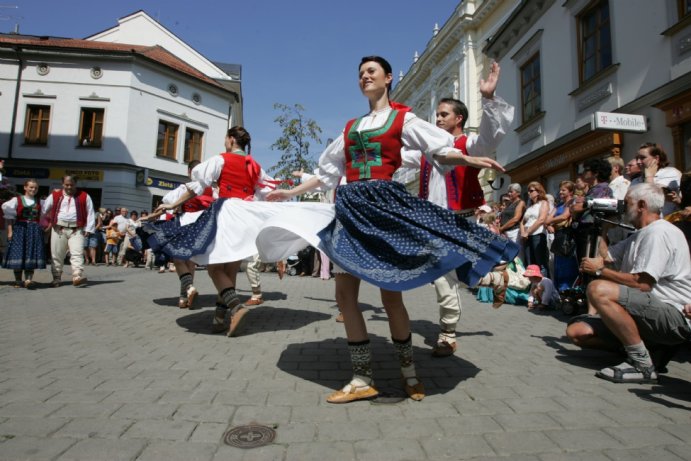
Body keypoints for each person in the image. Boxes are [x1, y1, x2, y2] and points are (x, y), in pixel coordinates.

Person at [264, 56, 517, 403]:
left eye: (371, 71)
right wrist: (290, 193)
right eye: (360, 73)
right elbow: (326, 174)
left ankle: (409, 373)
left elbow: (441, 150)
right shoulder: (350, 128)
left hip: (383, 209)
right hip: (350, 210)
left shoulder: (403, 119)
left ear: (388, 78)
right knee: (344, 296)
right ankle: (361, 377)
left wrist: (470, 159)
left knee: (390, 295)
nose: (365, 76)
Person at [407, 82, 513, 357]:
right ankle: (496, 281)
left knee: (444, 277)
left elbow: (490, 139)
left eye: (444, 114)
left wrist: (489, 99)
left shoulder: (469, 144)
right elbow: (395, 156)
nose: (438, 119)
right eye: (437, 115)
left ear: (459, 119)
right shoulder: (428, 151)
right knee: (453, 275)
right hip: (433, 221)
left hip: (460, 220)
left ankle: (447, 334)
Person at [149, 126, 285, 336]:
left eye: (225, 138)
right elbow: (266, 191)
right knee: (229, 271)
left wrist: (171, 204)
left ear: (231, 140)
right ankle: (220, 319)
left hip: (226, 213)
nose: (224, 141)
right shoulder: (254, 165)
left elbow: (195, 187)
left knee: (214, 269)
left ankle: (237, 308)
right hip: (244, 216)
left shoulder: (221, 160)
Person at [566, 183, 691, 383]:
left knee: (598, 289)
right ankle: (651, 350)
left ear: (642, 205)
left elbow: (642, 284)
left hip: (672, 314)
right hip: (646, 311)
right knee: (578, 332)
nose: (624, 208)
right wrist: (603, 228)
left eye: (628, 202)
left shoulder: (658, 233)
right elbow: (604, 258)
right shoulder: (640, 234)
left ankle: (642, 363)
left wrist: (599, 271)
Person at [41, 175, 96, 287]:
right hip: (58, 228)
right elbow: (44, 209)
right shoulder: (55, 195)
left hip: (76, 229)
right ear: (62, 184)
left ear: (76, 184)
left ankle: (77, 276)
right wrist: (42, 224)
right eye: (67, 185)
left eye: (72, 184)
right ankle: (56, 278)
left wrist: (88, 228)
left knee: (77, 253)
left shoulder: (84, 196)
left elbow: (90, 212)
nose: (69, 187)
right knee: (57, 254)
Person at [1, 178, 46, 288]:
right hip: (20, 229)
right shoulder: (16, 200)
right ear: (25, 187)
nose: (33, 189)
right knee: (19, 253)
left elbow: (45, 216)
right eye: (31, 187)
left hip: (34, 230)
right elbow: (9, 218)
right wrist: (10, 231)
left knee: (31, 253)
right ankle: (18, 280)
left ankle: (28, 279)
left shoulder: (40, 202)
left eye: (35, 188)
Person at [570, 158, 613, 262]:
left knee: (588, 264)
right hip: (585, 232)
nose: (583, 173)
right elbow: (574, 208)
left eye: (586, 170)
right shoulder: (593, 189)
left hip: (592, 233)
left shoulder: (602, 188)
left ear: (596, 173)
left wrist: (581, 203)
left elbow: (576, 207)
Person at [546, 180, 578, 290]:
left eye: (563, 190)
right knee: (558, 263)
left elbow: (565, 216)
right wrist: (549, 223)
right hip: (558, 235)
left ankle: (567, 289)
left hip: (567, 234)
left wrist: (551, 222)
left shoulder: (572, 202)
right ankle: (558, 291)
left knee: (567, 262)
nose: (560, 192)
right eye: (560, 190)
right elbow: (548, 218)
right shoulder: (559, 204)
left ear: (570, 192)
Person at [636, 142, 682, 216]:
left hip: (666, 222)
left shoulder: (671, 173)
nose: (638, 162)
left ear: (656, 158)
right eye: (637, 158)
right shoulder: (636, 180)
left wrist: (649, 177)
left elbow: (651, 200)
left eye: (642, 158)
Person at [520, 181, 550, 278]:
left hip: (538, 235)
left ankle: (544, 285)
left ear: (538, 191)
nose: (529, 193)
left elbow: (541, 219)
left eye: (531, 191)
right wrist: (523, 233)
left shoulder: (543, 203)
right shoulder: (530, 207)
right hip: (527, 237)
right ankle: (533, 287)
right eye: (528, 191)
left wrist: (527, 232)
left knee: (540, 262)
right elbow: (522, 222)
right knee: (530, 263)